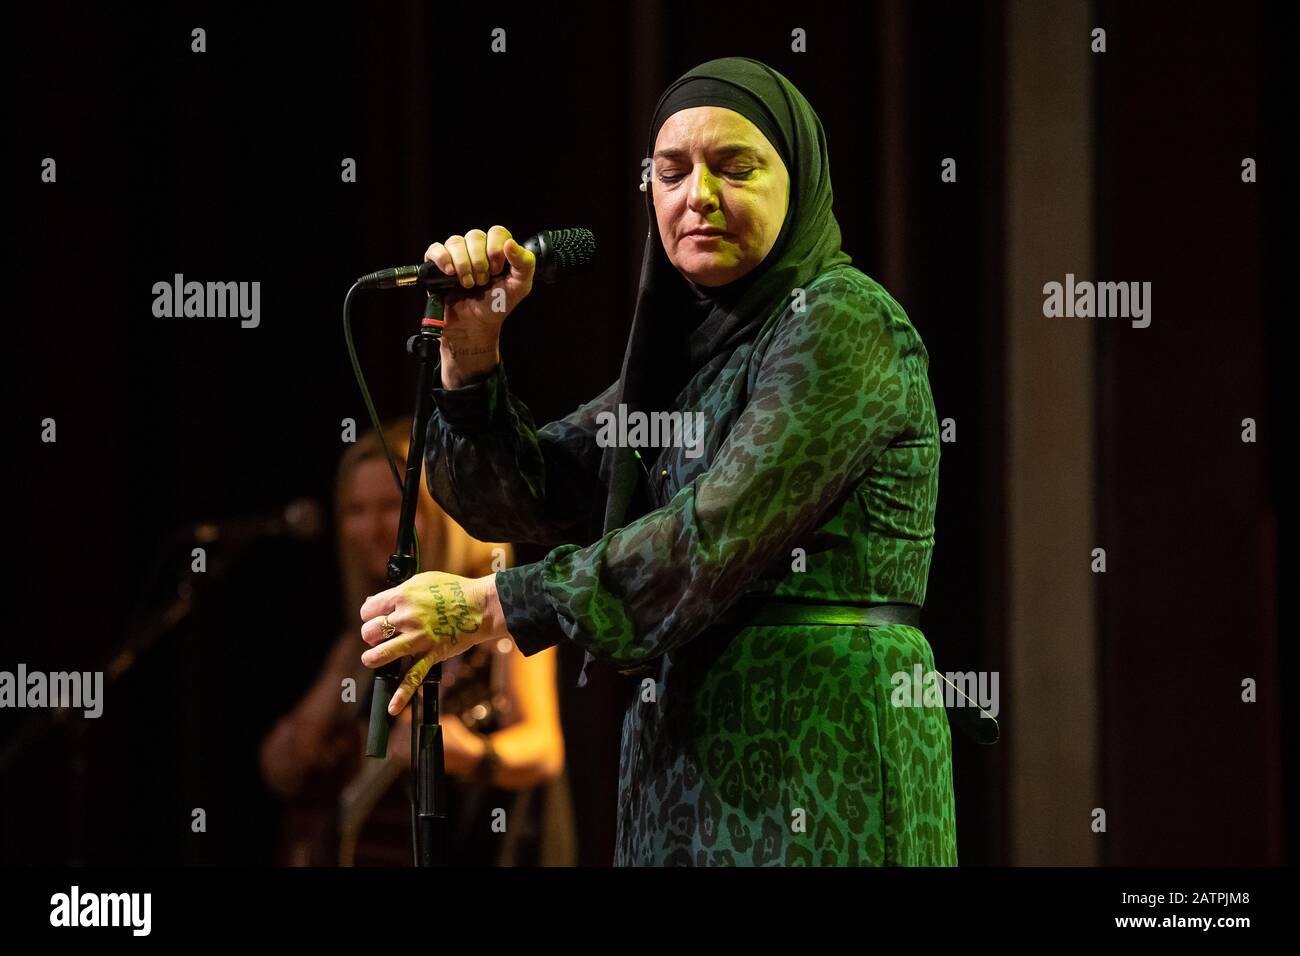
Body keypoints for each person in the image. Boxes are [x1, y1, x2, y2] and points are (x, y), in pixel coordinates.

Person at [358, 56, 957, 865]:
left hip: (824, 762)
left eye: (734, 167)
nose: (696, 197)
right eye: (670, 173)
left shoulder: (841, 325)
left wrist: (490, 604)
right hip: (686, 775)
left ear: (801, 179)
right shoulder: (684, 357)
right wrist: (472, 357)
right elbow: (522, 497)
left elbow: (706, 539)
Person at [260, 419, 573, 865]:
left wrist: (469, 753)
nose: (371, 528)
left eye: (391, 506)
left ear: (439, 515)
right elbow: (284, 768)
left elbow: (544, 749)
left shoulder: (495, 613)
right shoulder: (360, 642)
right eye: (355, 510)